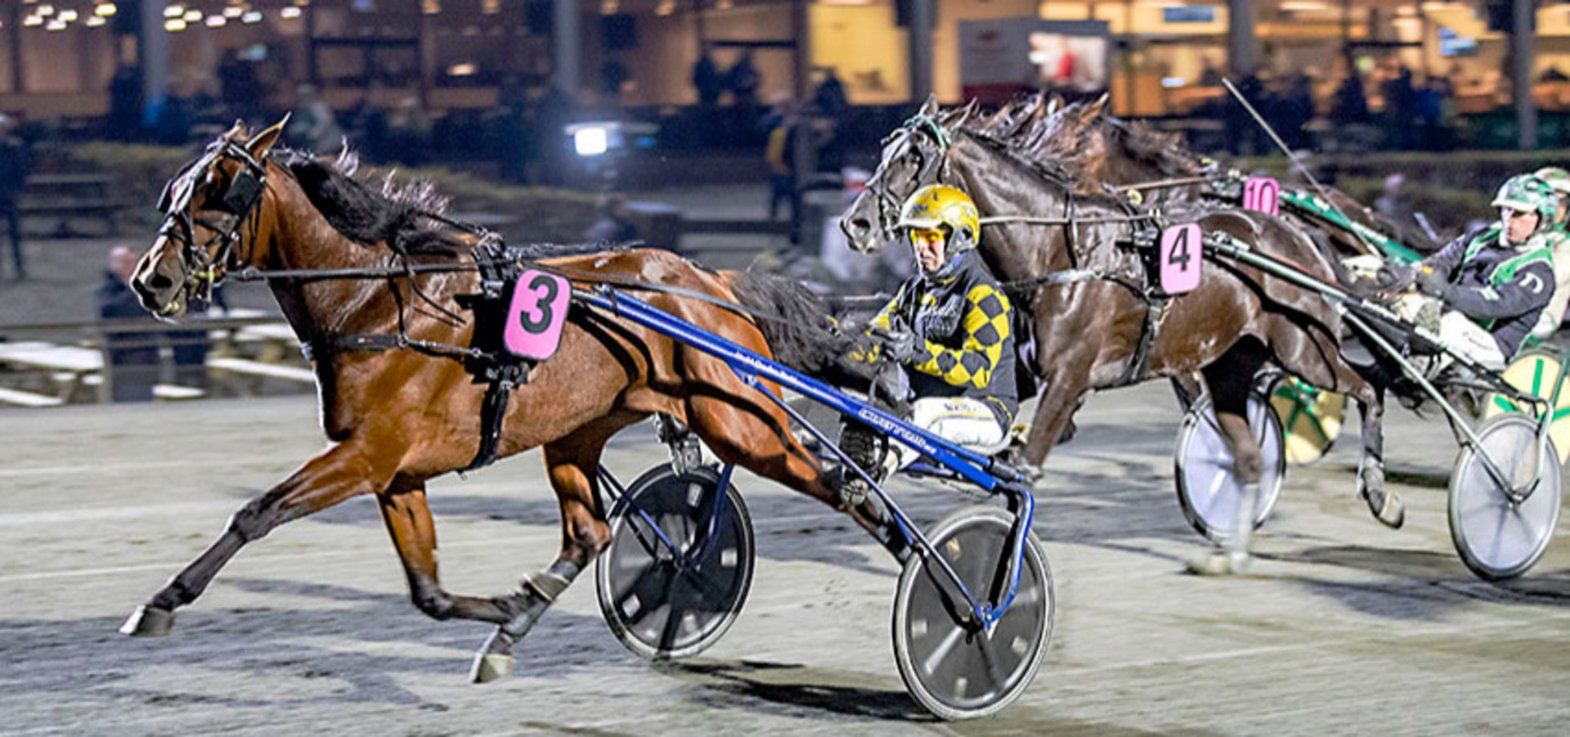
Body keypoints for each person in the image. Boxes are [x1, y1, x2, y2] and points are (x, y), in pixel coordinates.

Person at [837, 184, 1017, 506]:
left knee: (924, 412)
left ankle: (870, 473)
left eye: (931, 237)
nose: (921, 248)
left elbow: (976, 371)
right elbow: (875, 333)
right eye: (916, 238)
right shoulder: (915, 290)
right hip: (928, 406)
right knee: (847, 391)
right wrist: (836, 340)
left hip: (985, 411)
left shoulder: (984, 295)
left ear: (959, 238)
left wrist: (915, 351)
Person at [1412, 175, 1559, 371]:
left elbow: (1492, 304)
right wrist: (1421, 274)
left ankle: (1418, 366)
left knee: (1452, 323)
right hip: (1452, 314)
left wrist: (1443, 291)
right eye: (1506, 210)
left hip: (1490, 346)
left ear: (1542, 220)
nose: (1509, 221)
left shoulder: (1539, 272)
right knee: (1405, 302)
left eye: (1519, 214)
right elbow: (1443, 259)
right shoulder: (1482, 237)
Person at [95, 246, 159, 402]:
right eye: (128, 263)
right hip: (121, 352)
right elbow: (108, 310)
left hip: (147, 350)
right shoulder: (108, 290)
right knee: (126, 394)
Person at [1530, 167, 1570, 340]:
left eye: (1562, 202)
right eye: (1551, 200)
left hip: (1539, 324)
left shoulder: (1565, 244)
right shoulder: (1513, 233)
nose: (1557, 209)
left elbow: (1546, 277)